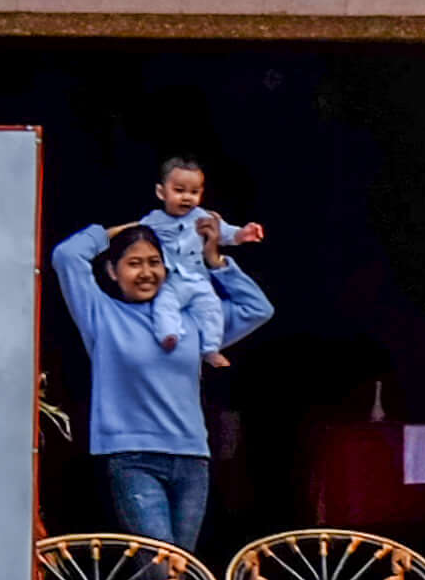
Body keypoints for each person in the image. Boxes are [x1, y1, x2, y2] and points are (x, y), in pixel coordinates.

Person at [52, 214, 266, 559]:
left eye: (154, 262)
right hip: (132, 459)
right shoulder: (101, 315)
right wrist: (121, 229)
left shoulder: (191, 320)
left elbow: (256, 308)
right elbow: (66, 256)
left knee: (178, 570)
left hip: (191, 459)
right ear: (111, 271)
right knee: (158, 565)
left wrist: (217, 261)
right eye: (133, 263)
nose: (146, 272)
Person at [129, 153, 264, 357]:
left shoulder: (204, 217)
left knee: (211, 309)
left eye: (194, 192)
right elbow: (137, 239)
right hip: (169, 281)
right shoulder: (153, 221)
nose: (187, 197)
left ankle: (210, 348)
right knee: (164, 306)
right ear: (161, 192)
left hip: (198, 278)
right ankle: (169, 335)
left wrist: (243, 234)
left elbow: (226, 235)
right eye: (179, 190)